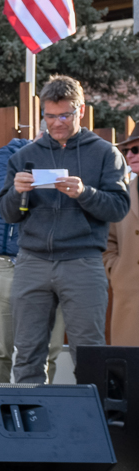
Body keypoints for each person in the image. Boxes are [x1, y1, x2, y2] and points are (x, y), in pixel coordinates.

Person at [0, 76, 129, 385]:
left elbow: (119, 208)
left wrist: (85, 193)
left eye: (65, 115)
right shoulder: (22, 157)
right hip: (32, 262)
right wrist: (16, 193)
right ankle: (30, 427)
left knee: (89, 352)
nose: (57, 122)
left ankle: (92, 428)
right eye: (50, 115)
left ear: (80, 110)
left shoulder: (105, 153)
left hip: (83, 263)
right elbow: (7, 214)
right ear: (42, 113)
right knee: (28, 352)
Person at [0, 135, 64, 383]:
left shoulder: (73, 159)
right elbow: (3, 195)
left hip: (55, 265)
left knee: (49, 352)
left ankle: (41, 413)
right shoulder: (9, 154)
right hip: (9, 264)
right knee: (0, 350)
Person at [105, 131, 139, 346]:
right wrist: (115, 269)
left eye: (136, 149)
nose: (130, 155)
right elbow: (108, 240)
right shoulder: (123, 194)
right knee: (131, 371)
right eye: (127, 150)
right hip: (130, 298)